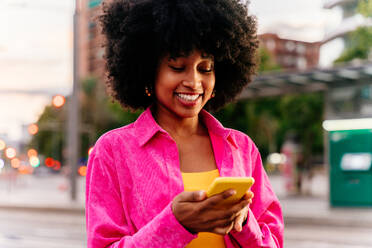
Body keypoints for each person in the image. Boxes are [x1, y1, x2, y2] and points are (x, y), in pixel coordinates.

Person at [86, 0, 284, 247]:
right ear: (148, 71)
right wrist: (177, 224)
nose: (194, 81)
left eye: (206, 68)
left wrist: (244, 223)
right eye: (177, 67)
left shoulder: (241, 148)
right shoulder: (113, 151)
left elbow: (274, 240)